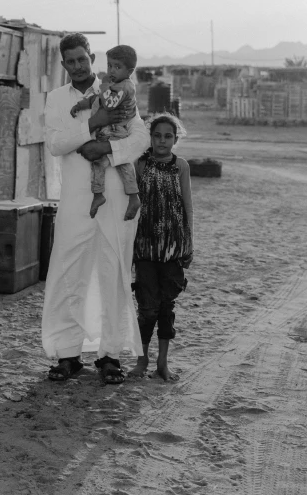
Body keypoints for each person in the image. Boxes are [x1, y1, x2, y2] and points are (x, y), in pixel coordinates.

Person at [42, 33, 149, 384]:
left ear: (92, 57)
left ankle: (110, 355)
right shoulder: (57, 99)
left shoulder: (118, 88)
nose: (76, 67)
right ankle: (67, 353)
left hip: (115, 195)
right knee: (67, 272)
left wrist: (106, 152)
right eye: (70, 62)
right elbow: (56, 143)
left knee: (114, 271)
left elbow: (140, 137)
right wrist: (92, 123)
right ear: (63, 64)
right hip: (75, 198)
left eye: (82, 59)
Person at [129, 113, 194, 382]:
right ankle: (141, 360)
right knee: (147, 307)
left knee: (167, 306)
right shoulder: (140, 164)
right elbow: (131, 205)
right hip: (144, 247)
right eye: (157, 136)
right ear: (150, 137)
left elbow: (187, 205)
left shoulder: (181, 166)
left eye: (168, 136)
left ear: (175, 139)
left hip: (173, 247)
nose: (162, 141)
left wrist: (190, 242)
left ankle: (162, 363)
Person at [70, 45, 141, 221]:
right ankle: (98, 195)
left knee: (122, 164)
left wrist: (104, 86)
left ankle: (133, 197)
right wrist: (81, 105)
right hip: (106, 132)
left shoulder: (126, 86)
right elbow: (98, 99)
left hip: (116, 132)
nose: (111, 70)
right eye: (110, 66)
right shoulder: (114, 85)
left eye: (117, 67)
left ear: (130, 71)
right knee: (98, 163)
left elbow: (109, 104)